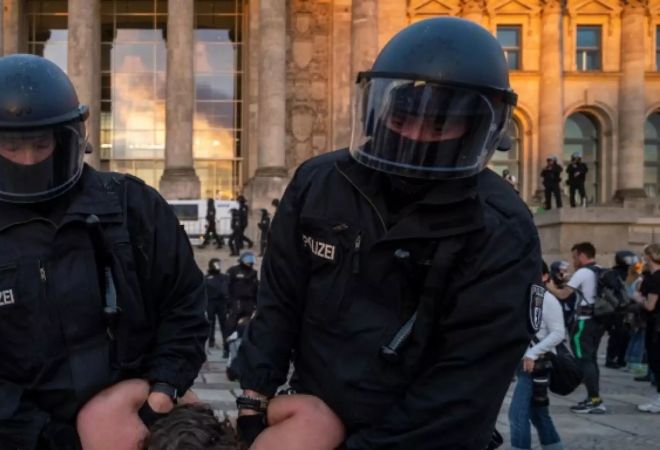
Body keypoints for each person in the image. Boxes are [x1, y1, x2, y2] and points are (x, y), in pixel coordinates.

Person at [233, 18, 540, 449]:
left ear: (474, 129)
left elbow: (464, 386)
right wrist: (254, 394)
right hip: (318, 417)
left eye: (438, 127)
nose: (413, 137)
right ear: (380, 110)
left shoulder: (501, 227)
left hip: (422, 439)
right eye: (403, 118)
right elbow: (280, 299)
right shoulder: (321, 182)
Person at [0, 54, 207, 450]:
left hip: (137, 427)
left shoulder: (132, 204)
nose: (29, 159)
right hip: (25, 439)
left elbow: (185, 302)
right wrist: (36, 432)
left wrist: (162, 392)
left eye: (41, 144)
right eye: (13, 146)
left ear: (67, 139)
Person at [508, 261, 566, 450]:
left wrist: (532, 353)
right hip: (525, 363)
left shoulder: (546, 299)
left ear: (544, 277)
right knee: (538, 414)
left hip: (536, 365)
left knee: (517, 414)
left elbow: (558, 333)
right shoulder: (523, 298)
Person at [547, 242, 605, 414]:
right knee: (591, 360)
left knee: (584, 361)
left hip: (583, 322)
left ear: (581, 255)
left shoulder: (583, 272)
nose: (573, 261)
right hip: (597, 321)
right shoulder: (599, 269)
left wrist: (549, 286)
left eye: (574, 257)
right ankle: (593, 397)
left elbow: (563, 294)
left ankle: (595, 400)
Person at [605, 250, 639, 369]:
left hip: (625, 307)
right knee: (618, 334)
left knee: (625, 334)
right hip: (619, 307)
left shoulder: (631, 271)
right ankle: (612, 358)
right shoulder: (615, 273)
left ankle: (619, 358)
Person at [637, 243, 660, 413]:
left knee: (656, 361)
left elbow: (650, 305)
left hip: (656, 325)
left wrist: (637, 298)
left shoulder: (655, 278)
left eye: (645, 256)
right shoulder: (651, 276)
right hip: (655, 324)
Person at [225, 252, 258, 361]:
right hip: (236, 302)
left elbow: (256, 289)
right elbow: (226, 286)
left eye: (251, 259)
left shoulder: (253, 273)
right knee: (231, 325)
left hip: (249, 303)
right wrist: (228, 301)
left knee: (248, 326)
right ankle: (228, 349)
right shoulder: (233, 271)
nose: (250, 262)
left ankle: (246, 349)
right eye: (248, 259)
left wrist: (256, 304)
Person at [205, 258, 229, 349]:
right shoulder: (206, 278)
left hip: (222, 303)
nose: (218, 266)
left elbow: (228, 290)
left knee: (224, 323)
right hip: (211, 303)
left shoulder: (225, 277)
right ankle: (211, 341)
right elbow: (203, 291)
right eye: (216, 264)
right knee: (211, 323)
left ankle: (225, 341)